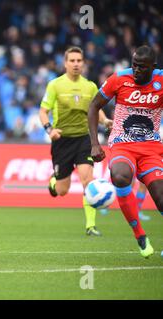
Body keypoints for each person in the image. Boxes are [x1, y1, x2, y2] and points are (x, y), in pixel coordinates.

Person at [88, 45, 163, 258]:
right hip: (123, 144)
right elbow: (94, 106)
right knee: (120, 176)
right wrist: (95, 143)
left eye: (142, 67)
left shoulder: (161, 82)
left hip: (151, 149)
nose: (136, 70)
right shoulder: (119, 79)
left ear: (153, 67)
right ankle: (139, 234)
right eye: (134, 65)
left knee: (161, 199)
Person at [40, 46, 113, 236]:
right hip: (62, 140)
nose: (75, 64)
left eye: (79, 61)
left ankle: (90, 226)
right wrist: (50, 129)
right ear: (65, 63)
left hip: (84, 138)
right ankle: (53, 182)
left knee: (87, 179)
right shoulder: (55, 85)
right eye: (72, 61)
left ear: (83, 63)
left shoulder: (90, 86)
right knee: (62, 190)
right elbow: (43, 111)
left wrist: (105, 121)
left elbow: (96, 108)